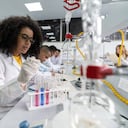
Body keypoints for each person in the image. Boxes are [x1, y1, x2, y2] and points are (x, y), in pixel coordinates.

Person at [0, 16, 43, 119]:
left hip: (22, 106)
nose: (28, 43)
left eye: (31, 40)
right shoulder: (1, 59)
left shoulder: (23, 59)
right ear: (11, 35)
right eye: (24, 37)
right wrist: (20, 81)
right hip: (5, 114)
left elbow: (37, 77)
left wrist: (54, 80)